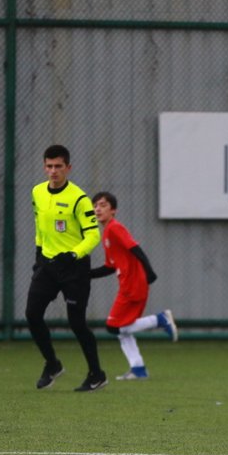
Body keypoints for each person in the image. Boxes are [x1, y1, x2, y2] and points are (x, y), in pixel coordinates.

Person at [26, 144, 107, 392]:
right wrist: (39, 254)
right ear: (44, 167)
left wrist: (73, 254)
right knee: (32, 315)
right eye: (49, 166)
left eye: (58, 166)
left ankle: (97, 373)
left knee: (77, 323)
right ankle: (52, 364)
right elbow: (40, 226)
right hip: (48, 266)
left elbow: (93, 236)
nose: (53, 171)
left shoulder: (79, 199)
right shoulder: (38, 192)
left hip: (74, 268)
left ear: (68, 168)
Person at [90, 191, 178, 380]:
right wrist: (86, 275)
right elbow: (110, 266)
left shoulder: (114, 228)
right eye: (95, 205)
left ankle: (159, 320)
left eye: (103, 205)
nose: (98, 209)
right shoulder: (106, 233)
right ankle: (138, 369)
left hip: (133, 284)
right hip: (128, 283)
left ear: (113, 210)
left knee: (113, 327)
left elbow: (135, 248)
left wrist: (149, 271)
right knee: (123, 330)